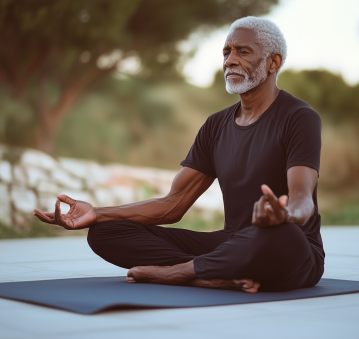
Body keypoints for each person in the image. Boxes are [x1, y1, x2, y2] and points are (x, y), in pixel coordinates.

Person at [34, 16, 324, 293]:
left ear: (273, 62)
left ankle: (181, 273)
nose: (230, 60)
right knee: (105, 232)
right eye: (226, 52)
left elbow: (301, 197)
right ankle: (210, 275)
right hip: (231, 245)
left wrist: (285, 215)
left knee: (279, 237)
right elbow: (173, 204)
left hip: (285, 246)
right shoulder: (216, 125)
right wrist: (98, 213)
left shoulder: (298, 117)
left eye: (242, 52)